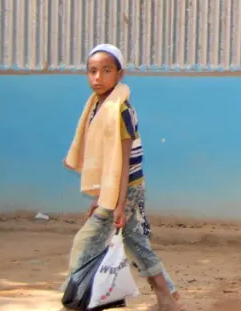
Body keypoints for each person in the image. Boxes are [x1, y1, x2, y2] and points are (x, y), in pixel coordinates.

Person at [63, 44, 181, 311]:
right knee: (136, 242)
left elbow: (123, 159)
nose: (97, 77)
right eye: (92, 71)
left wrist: (118, 203)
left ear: (119, 74)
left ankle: (73, 300)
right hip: (115, 189)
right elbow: (106, 160)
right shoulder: (96, 106)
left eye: (106, 71)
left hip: (126, 188)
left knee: (87, 241)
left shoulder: (121, 109)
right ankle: (168, 297)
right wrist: (101, 196)